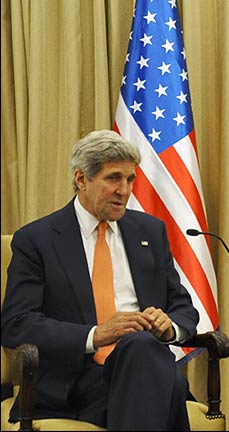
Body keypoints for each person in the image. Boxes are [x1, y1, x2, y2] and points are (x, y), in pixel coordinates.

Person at [1, 130, 199, 430]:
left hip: (141, 367)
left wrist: (169, 326)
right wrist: (97, 334)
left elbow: (182, 305)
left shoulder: (150, 232)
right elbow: (17, 324)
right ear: (81, 179)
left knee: (143, 346)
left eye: (130, 179)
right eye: (113, 178)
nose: (125, 190)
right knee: (163, 377)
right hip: (75, 382)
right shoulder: (37, 240)